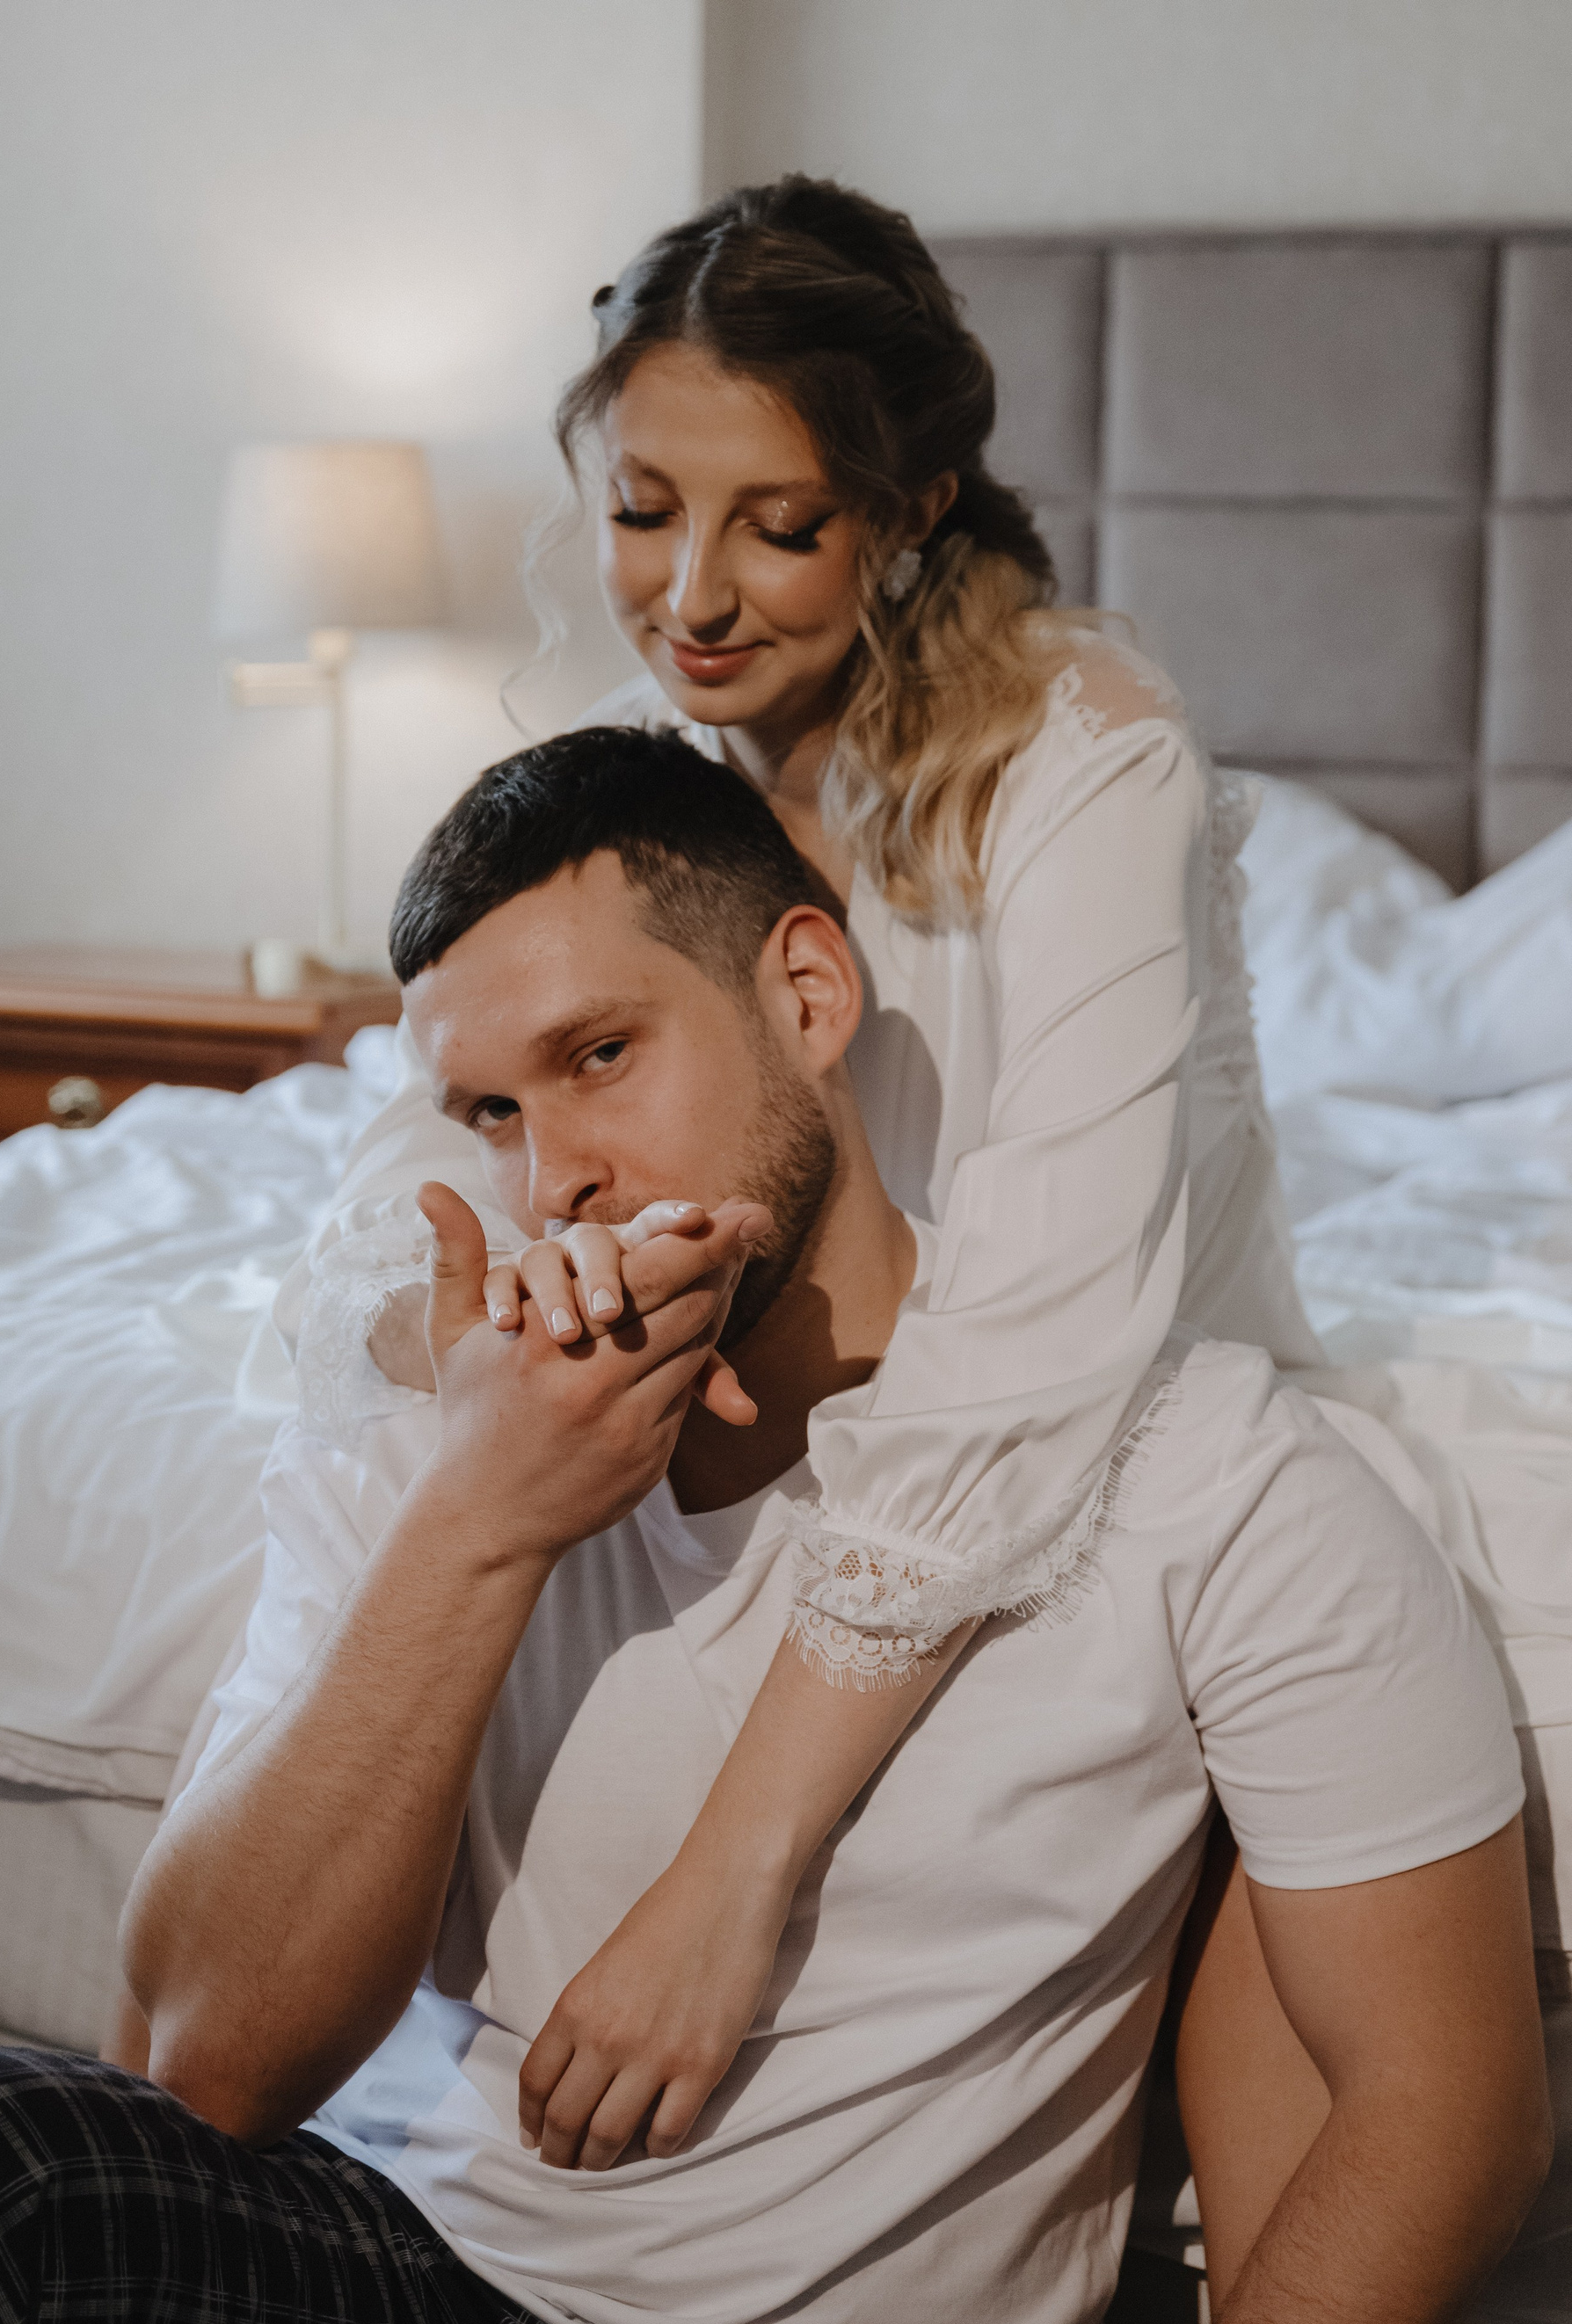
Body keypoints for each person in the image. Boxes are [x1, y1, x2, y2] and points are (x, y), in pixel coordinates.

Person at [0, 730, 1548, 2324]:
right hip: (356, 2289)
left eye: (601, 1056)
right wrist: (482, 1521)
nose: (556, 1176)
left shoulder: (1208, 1469)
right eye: (493, 1110)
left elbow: (1451, 2109)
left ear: (809, 994)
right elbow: (201, 2066)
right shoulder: (437, 1434)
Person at [283, 174, 1330, 2170]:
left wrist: (735, 1863)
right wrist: (495, 1323)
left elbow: (1047, 1310)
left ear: (911, 507)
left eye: (776, 527)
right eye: (641, 509)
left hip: (1089, 1402)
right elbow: (421, 1153)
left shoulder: (1083, 750)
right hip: (755, 1396)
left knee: (1256, 1707)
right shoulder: (639, 773)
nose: (689, 597)